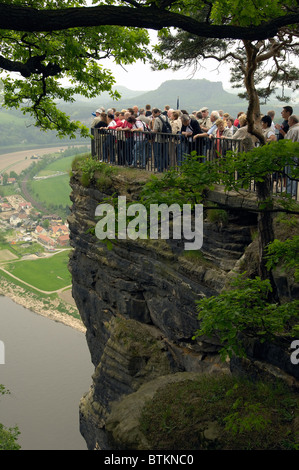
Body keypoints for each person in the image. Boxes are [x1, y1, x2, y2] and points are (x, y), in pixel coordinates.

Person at [283, 114, 299, 197]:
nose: (288, 122)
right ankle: (294, 191)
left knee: (289, 173)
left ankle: (289, 192)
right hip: (297, 153)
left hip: (292, 154)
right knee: (294, 173)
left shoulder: (293, 130)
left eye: (289, 121)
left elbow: (288, 142)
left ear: (292, 121)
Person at [151, 107, 171, 171]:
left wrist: (151, 132)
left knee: (158, 154)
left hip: (159, 139)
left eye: (153, 113)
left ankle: (160, 168)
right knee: (165, 154)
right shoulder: (166, 118)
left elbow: (156, 130)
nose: (152, 115)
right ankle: (166, 167)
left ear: (156, 113)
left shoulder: (157, 119)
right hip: (166, 138)